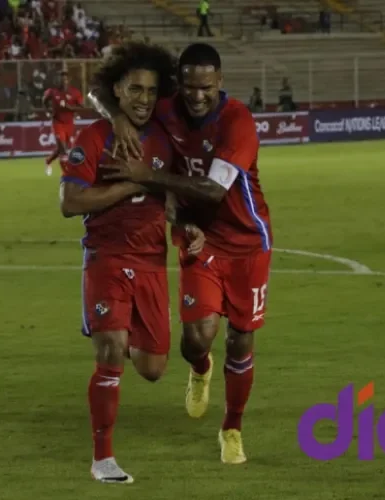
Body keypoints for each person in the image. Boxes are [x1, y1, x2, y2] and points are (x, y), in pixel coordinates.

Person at [88, 42, 272, 466]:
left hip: (247, 244)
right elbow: (98, 92)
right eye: (188, 87)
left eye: (205, 87)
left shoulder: (237, 122)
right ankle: (201, 368)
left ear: (219, 82)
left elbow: (212, 189)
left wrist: (146, 175)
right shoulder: (168, 108)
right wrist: (116, 117)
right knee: (194, 340)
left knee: (241, 341)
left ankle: (231, 429)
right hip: (198, 237)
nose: (197, 96)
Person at [60, 42, 205, 484]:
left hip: (150, 264)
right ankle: (103, 459)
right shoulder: (95, 137)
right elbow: (69, 202)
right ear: (117, 91)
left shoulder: (164, 138)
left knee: (154, 368)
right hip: (106, 257)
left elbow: (171, 200)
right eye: (134, 89)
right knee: (109, 356)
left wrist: (185, 230)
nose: (142, 98)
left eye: (150, 90)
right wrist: (127, 186)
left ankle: (117, 330)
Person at [43, 71, 84, 176]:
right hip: (57, 122)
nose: (63, 82)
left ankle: (48, 161)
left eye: (65, 79)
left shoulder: (75, 92)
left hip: (69, 124)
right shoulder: (52, 91)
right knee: (63, 149)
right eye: (61, 80)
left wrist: (69, 108)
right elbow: (44, 101)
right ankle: (66, 173)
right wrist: (48, 111)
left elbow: (81, 107)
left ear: (68, 80)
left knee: (62, 148)